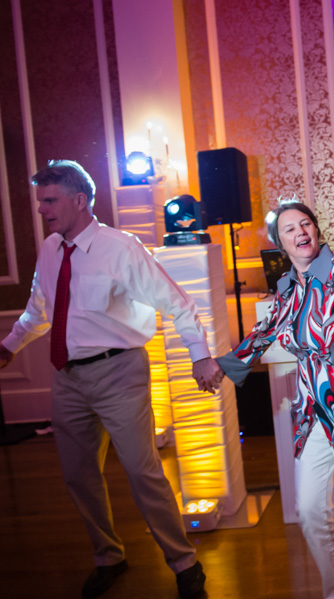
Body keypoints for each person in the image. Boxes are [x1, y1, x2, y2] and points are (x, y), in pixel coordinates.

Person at [0, 160, 215, 599]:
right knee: (79, 475)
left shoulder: (122, 248)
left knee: (142, 471)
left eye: (50, 200)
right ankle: (108, 557)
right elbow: (39, 311)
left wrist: (200, 356)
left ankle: (183, 563)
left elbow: (177, 303)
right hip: (67, 378)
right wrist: (8, 346)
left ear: (79, 200)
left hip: (119, 372)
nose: (42, 209)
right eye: (40, 200)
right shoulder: (49, 249)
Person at [211, 201, 334, 599]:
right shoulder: (288, 286)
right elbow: (264, 331)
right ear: (280, 243)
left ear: (316, 229)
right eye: (289, 229)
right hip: (312, 415)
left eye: (305, 224)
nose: (300, 232)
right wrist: (222, 366)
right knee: (309, 511)